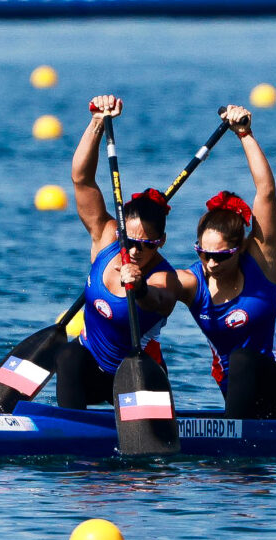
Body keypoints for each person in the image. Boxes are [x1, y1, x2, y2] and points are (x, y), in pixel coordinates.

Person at [176, 105, 276, 419]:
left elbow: (266, 191)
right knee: (237, 365)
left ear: (239, 248)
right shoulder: (193, 282)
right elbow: (158, 288)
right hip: (236, 391)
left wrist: (244, 134)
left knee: (244, 359)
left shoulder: (261, 260)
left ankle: (235, 435)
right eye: (202, 253)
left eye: (219, 255)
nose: (209, 262)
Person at [56, 94, 181, 410]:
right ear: (119, 232)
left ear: (161, 241)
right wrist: (97, 121)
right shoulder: (105, 235)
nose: (136, 251)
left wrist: (138, 288)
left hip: (139, 375)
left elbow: (158, 302)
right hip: (90, 370)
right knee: (69, 355)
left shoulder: (166, 277)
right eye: (130, 242)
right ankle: (69, 436)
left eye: (147, 245)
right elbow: (81, 179)